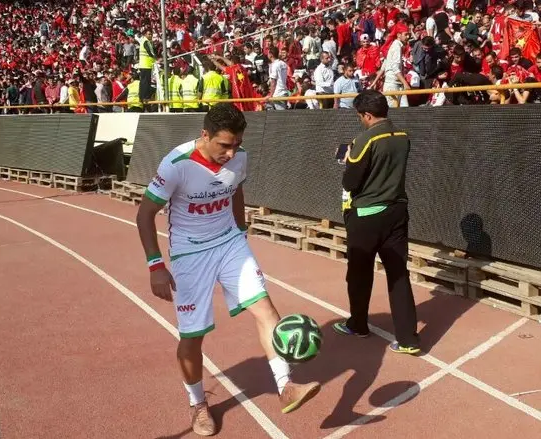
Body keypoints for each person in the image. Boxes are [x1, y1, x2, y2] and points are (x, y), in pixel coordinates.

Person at [136, 103, 320, 436]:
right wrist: (155, 265)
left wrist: (241, 232)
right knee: (193, 335)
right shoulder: (176, 164)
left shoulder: (239, 157)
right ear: (205, 135)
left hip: (230, 243)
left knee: (266, 309)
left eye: (237, 144)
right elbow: (144, 214)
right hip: (190, 253)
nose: (231, 153)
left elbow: (235, 191)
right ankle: (198, 404)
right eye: (224, 145)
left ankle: (286, 386)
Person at [333, 89, 420, 355]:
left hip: (367, 215)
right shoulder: (403, 136)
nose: (360, 120)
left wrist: (346, 160)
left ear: (368, 115)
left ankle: (358, 324)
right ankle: (408, 339)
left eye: (360, 116)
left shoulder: (364, 140)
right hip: (397, 211)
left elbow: (351, 182)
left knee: (359, 273)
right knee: (398, 274)